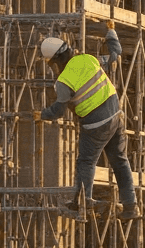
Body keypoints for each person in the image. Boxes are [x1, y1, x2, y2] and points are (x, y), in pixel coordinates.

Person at [37, 20, 138, 219]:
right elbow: (114, 54)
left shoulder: (63, 81)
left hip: (96, 125)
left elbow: (58, 111)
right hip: (116, 117)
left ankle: (83, 201)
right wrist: (111, 32)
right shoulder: (88, 59)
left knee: (86, 162)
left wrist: (41, 115)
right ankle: (130, 207)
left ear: (53, 61)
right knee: (120, 162)